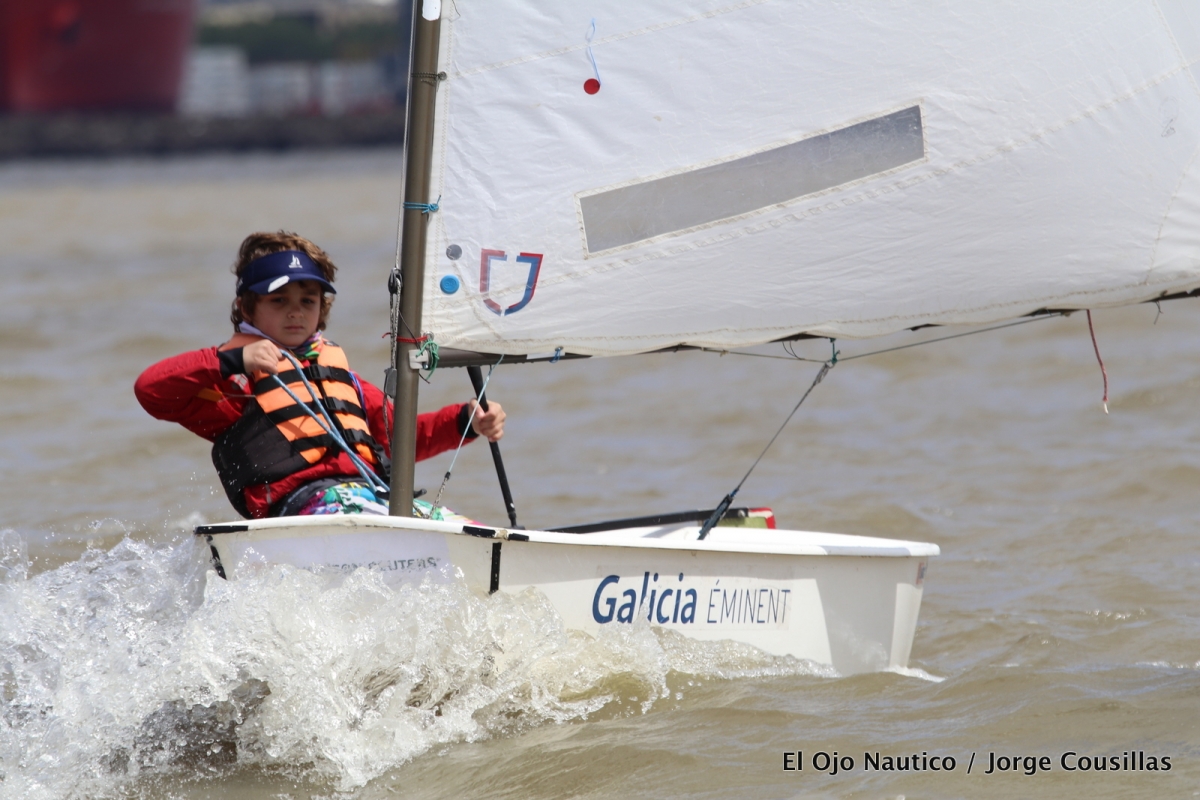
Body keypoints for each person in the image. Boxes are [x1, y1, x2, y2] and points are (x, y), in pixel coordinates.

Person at [135, 231, 504, 519]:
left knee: (455, 523)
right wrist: (230, 360)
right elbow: (151, 389)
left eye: (308, 300)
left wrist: (466, 422)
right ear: (246, 307)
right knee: (366, 513)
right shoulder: (235, 385)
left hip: (369, 497)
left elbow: (403, 440)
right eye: (279, 300)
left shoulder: (344, 379)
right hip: (300, 510)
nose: (295, 312)